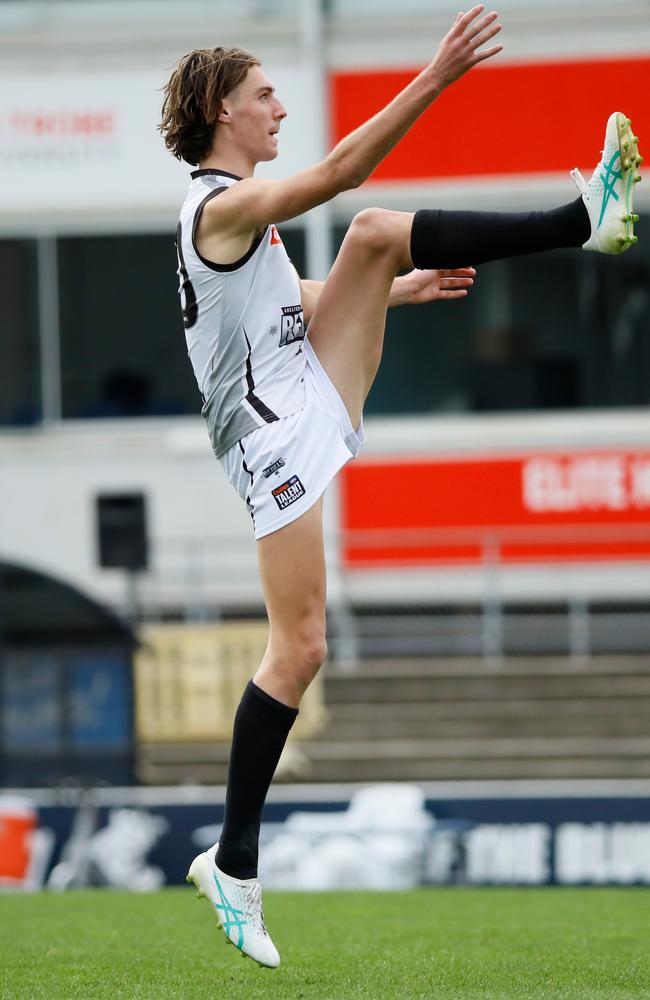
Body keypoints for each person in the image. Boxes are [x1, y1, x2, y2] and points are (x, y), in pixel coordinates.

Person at [159, 5, 641, 968]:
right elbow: (338, 175)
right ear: (221, 109)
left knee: (378, 240)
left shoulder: (228, 213)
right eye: (263, 95)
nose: (279, 107)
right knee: (298, 649)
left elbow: (268, 304)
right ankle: (234, 863)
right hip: (269, 434)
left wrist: (388, 287)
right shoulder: (217, 206)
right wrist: (436, 76)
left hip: (288, 397)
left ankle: (586, 220)